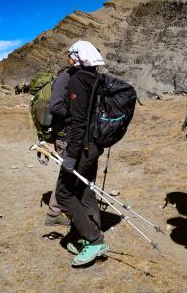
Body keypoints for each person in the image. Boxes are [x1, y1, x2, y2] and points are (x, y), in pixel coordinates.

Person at [55, 40, 108, 266]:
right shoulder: (97, 79)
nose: (68, 58)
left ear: (78, 57)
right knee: (85, 191)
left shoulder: (77, 79)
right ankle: (85, 235)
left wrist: (71, 156)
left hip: (82, 147)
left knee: (64, 194)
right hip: (95, 145)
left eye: (70, 54)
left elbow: (78, 122)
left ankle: (94, 240)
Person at [43, 54, 77, 227]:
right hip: (64, 135)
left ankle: (65, 208)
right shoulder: (66, 77)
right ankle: (54, 212)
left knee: (71, 172)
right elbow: (55, 106)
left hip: (69, 133)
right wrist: (76, 115)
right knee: (68, 172)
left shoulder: (74, 76)